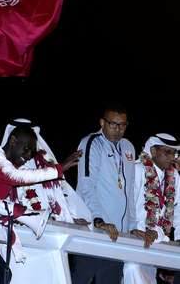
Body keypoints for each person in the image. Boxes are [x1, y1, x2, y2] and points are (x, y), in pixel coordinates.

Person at [0, 125, 81, 283]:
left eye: (32, 152)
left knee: (0, 276)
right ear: (13, 141)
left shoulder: (9, 168)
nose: (29, 156)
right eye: (27, 149)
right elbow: (15, 177)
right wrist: (59, 169)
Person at [73, 104, 136, 283]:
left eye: (122, 125)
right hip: (96, 231)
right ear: (102, 122)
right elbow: (86, 185)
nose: (118, 129)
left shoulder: (128, 147)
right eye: (113, 124)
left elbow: (129, 190)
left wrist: (132, 227)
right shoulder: (92, 142)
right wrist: (99, 220)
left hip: (119, 236)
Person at [123, 133, 179, 284]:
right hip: (136, 238)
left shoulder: (174, 177)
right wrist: (133, 229)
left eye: (174, 153)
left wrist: (179, 238)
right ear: (153, 152)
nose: (172, 157)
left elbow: (178, 210)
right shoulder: (137, 169)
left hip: (158, 241)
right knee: (132, 269)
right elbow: (127, 204)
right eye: (167, 152)